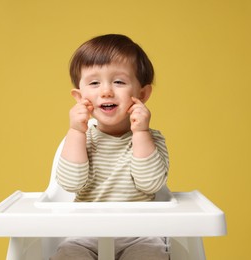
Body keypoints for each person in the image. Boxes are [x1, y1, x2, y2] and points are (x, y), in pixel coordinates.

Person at [51, 34, 170, 260]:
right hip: (84, 233)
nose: (106, 91)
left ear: (142, 95)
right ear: (79, 97)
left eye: (119, 82)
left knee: (151, 255)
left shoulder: (151, 139)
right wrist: (76, 131)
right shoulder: (80, 138)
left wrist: (141, 132)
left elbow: (151, 183)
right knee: (68, 254)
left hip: (140, 234)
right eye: (94, 83)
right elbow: (70, 183)